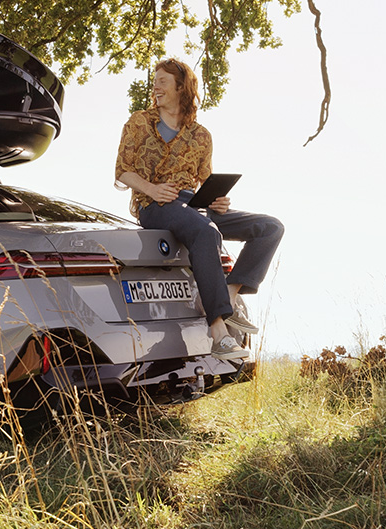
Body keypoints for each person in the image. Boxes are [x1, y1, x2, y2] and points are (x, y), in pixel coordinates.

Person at [114, 58, 285, 361]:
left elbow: (205, 180)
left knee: (270, 227)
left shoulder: (201, 135)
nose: (156, 86)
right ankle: (219, 333)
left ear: (181, 87)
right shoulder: (139, 121)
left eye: (163, 81)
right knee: (206, 232)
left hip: (194, 205)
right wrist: (152, 189)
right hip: (155, 205)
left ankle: (228, 295)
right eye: (155, 81)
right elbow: (122, 172)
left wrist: (218, 201)